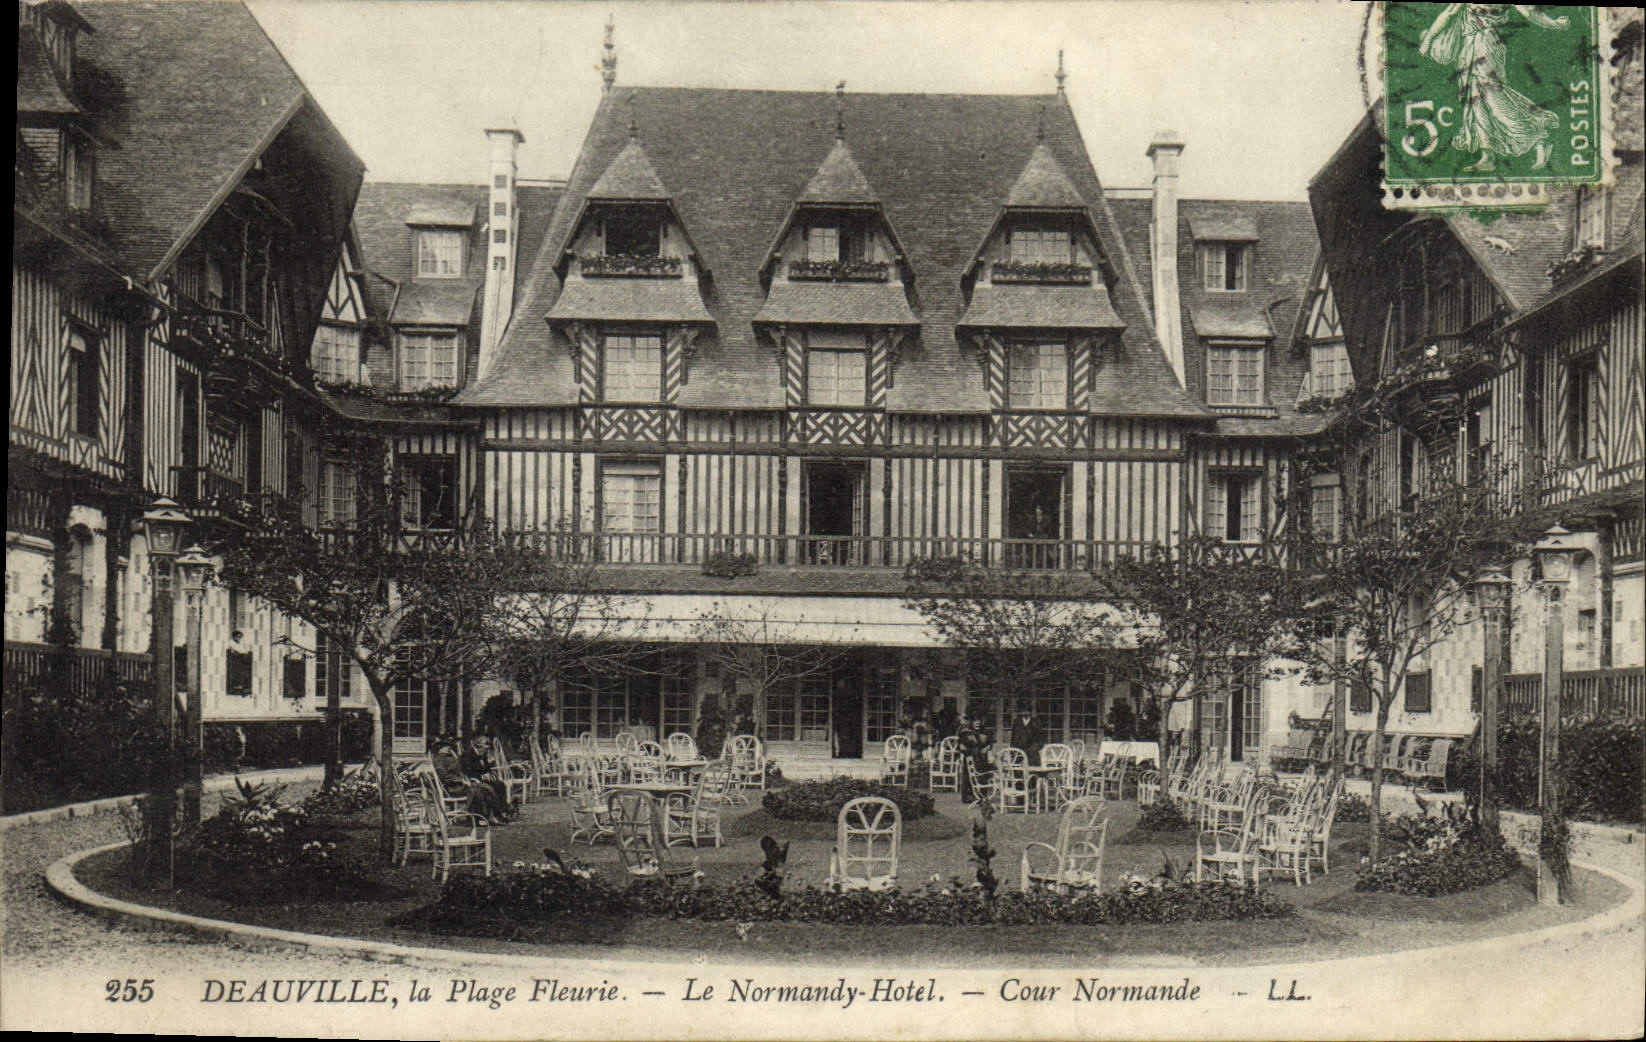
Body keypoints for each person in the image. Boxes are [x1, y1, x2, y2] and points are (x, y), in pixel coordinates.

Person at [1419, 4, 1568, 172]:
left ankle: (1539, 138)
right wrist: (1554, 23)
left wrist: (1428, 40)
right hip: (1471, 46)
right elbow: (1450, 12)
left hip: (1486, 46)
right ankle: (1487, 156)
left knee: (1494, 98)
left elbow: (1529, 11)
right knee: (1475, 99)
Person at [433, 735, 513, 823]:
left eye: (448, 746)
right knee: (484, 788)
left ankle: (487, 815)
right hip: (452, 787)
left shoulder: (449, 757)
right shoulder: (438, 760)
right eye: (446, 746)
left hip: (462, 784)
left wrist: (465, 778)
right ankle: (485, 816)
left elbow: (461, 771)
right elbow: (444, 776)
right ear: (440, 749)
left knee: (486, 788)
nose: (449, 748)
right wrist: (462, 780)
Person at [956, 713, 991, 806]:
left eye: (979, 720)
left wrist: (987, 748)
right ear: (972, 722)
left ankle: (982, 796)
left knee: (983, 775)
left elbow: (989, 743)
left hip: (982, 758)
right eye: (975, 721)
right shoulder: (966, 732)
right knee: (968, 777)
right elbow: (961, 745)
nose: (977, 723)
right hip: (970, 758)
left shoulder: (984, 731)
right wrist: (968, 752)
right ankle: (969, 796)